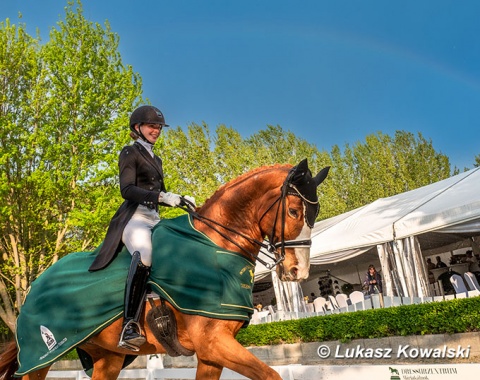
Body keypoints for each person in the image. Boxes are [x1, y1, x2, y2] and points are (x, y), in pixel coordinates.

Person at [89, 105, 195, 351]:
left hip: (154, 218)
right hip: (134, 218)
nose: (156, 130)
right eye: (151, 126)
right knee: (145, 254)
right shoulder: (129, 152)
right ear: (137, 128)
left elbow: (159, 192)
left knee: (181, 247)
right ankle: (130, 325)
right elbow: (126, 190)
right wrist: (161, 197)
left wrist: (179, 199)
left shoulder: (156, 158)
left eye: (158, 127)